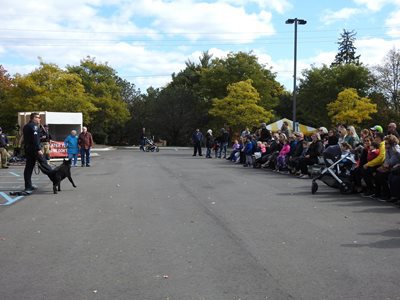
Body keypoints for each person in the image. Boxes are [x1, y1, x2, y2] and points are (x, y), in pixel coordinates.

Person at [23, 113, 52, 192]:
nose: (39, 119)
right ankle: (56, 178)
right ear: (33, 118)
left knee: (29, 168)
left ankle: (28, 186)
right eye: (38, 117)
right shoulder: (34, 126)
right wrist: (39, 149)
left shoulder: (26, 126)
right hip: (34, 149)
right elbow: (35, 139)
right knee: (45, 164)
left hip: (28, 149)